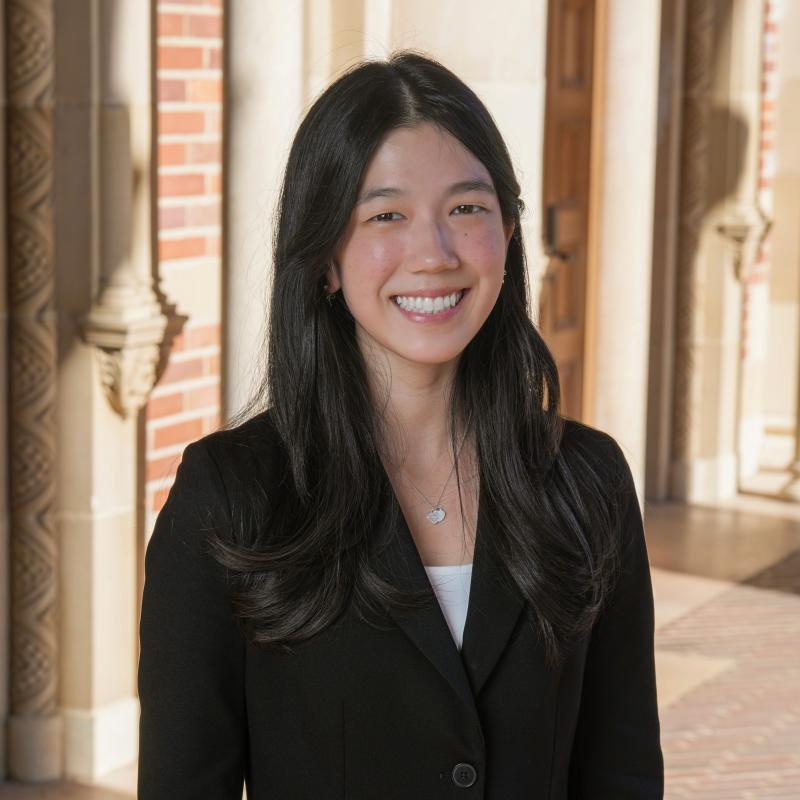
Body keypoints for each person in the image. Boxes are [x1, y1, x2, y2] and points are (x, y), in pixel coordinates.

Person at [137, 50, 664, 799]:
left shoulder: (589, 481)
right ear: (325, 258)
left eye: (466, 209)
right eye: (386, 214)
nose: (434, 253)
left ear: (508, 236)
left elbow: (624, 775)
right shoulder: (230, 497)